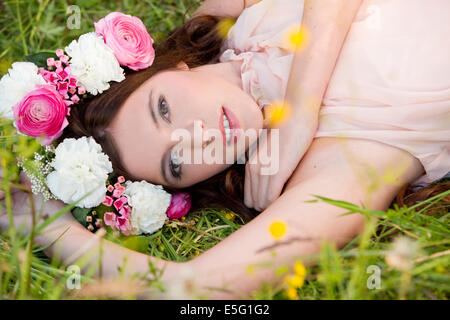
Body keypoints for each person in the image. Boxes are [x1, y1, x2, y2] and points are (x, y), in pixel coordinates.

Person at [1, 0, 449, 299]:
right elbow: (196, 289)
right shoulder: (338, 164)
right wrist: (49, 229)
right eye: (175, 163)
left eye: (163, 107)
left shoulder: (232, 21)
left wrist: (299, 108)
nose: (196, 135)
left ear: (170, 66)